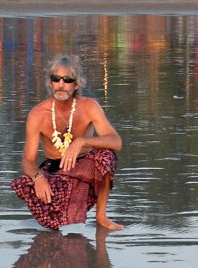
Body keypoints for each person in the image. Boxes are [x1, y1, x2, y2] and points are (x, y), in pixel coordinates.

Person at [11, 54, 124, 230]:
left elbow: (116, 142)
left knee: (106, 155)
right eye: (56, 79)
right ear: (50, 82)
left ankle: (101, 216)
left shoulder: (89, 106)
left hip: (84, 165)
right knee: (29, 188)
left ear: (76, 84)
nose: (61, 85)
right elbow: (27, 160)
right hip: (55, 171)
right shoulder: (37, 114)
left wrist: (82, 142)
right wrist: (38, 178)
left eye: (68, 79)